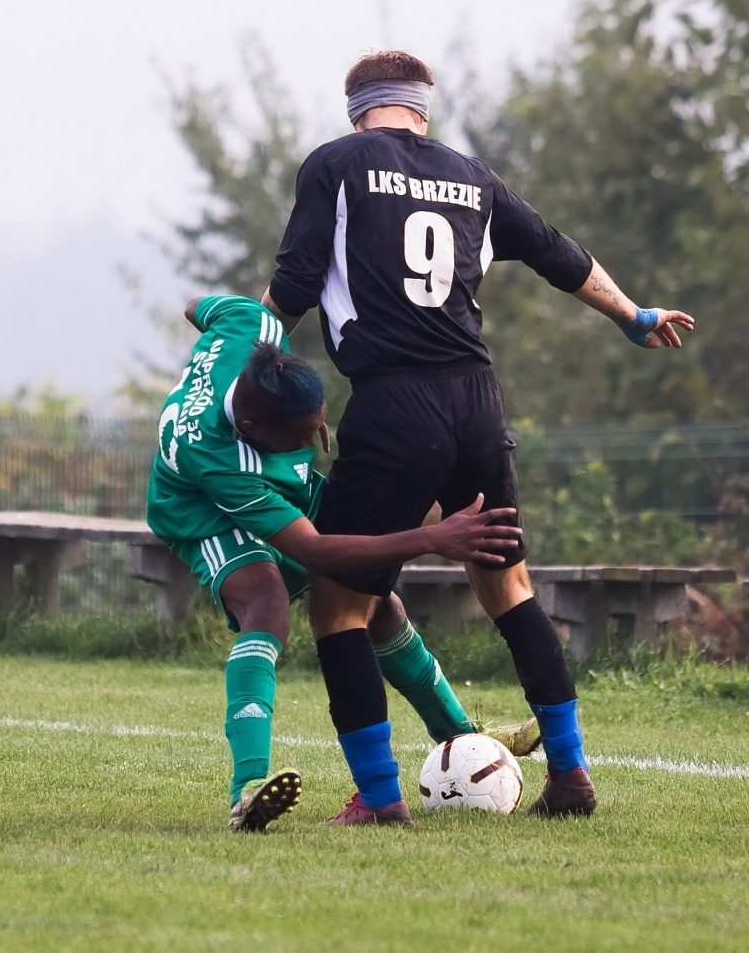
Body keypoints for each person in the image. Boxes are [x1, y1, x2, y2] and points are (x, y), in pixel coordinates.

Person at [261, 50, 695, 824]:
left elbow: (293, 285)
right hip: (477, 403)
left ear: (357, 110)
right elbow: (559, 252)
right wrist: (633, 315)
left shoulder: (337, 165)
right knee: (509, 589)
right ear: (421, 108)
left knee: (339, 604)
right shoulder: (472, 177)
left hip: (394, 404)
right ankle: (571, 773)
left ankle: (381, 798)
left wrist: (235, 368)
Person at [146, 293, 528, 832]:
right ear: (252, 426)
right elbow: (316, 552)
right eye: (303, 435)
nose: (316, 438)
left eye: (319, 422)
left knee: (375, 602)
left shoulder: (251, 325)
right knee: (266, 602)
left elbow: (194, 306)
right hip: (201, 510)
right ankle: (247, 789)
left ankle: (463, 738)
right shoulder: (218, 459)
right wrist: (431, 538)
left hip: (278, 482)